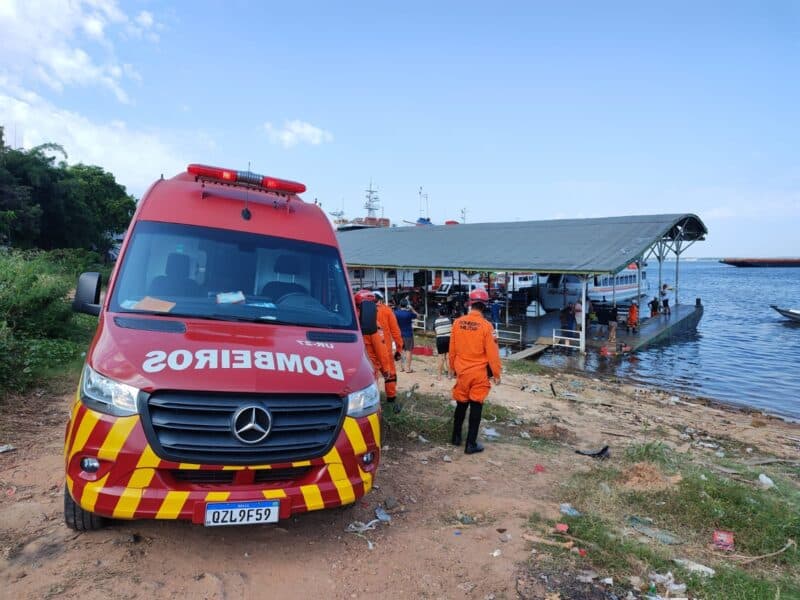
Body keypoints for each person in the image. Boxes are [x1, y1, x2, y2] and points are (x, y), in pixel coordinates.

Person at [449, 288, 502, 455]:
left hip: (462, 371)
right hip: (479, 373)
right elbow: (492, 353)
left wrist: (452, 369)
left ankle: (456, 437)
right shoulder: (487, 326)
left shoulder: (457, 323)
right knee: (476, 405)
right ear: (484, 306)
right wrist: (496, 374)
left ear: (470, 304)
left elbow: (452, 350)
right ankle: (470, 444)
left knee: (461, 404)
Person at [353, 289, 393, 388]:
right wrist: (386, 370)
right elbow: (381, 350)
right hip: (369, 369)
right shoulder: (372, 326)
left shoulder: (349, 320)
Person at [373, 290, 402, 406]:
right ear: (381, 299)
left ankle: (371, 398)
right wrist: (399, 348)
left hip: (369, 349)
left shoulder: (362, 311)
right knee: (389, 372)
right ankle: (391, 397)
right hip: (385, 348)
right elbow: (395, 331)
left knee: (372, 373)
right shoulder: (387, 311)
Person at [394, 298, 418, 373]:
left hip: (399, 334)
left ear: (400, 305)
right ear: (407, 305)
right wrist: (412, 308)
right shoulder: (409, 313)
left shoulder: (395, 313)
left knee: (399, 350)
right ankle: (408, 369)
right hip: (408, 334)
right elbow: (418, 316)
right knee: (408, 351)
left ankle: (401, 368)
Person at [434, 306, 453, 379]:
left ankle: (439, 376)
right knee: (448, 357)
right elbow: (451, 330)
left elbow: (436, 331)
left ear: (439, 313)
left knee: (441, 357)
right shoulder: (449, 320)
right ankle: (449, 375)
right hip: (448, 339)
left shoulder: (436, 321)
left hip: (440, 339)